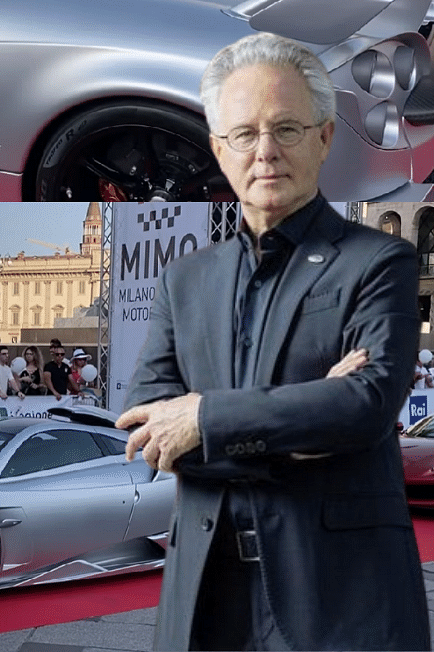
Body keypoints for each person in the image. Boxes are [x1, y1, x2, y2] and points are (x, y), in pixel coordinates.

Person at [117, 32, 430, 651]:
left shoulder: (380, 262)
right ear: (217, 149)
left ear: (323, 138)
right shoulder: (185, 280)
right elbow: (148, 432)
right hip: (206, 594)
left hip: (340, 597)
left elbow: (365, 408)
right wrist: (306, 427)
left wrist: (204, 416)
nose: (265, 153)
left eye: (286, 129)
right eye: (244, 134)